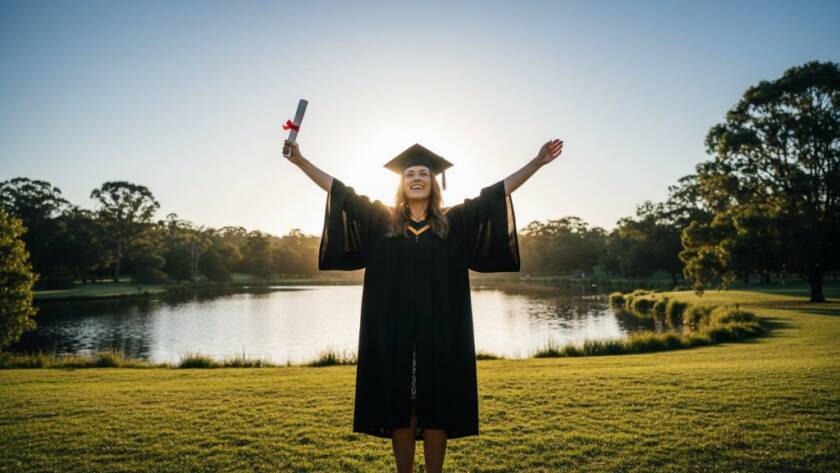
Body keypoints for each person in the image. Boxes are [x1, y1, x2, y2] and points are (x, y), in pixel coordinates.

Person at [283, 138, 563, 473]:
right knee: (401, 409)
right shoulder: (380, 222)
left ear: (434, 183)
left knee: (437, 409)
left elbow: (496, 193)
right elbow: (340, 190)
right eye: (410, 174)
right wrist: (301, 161)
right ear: (401, 184)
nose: (417, 178)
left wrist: (536, 162)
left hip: (442, 335)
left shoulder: (454, 224)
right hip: (392, 334)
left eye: (424, 174)